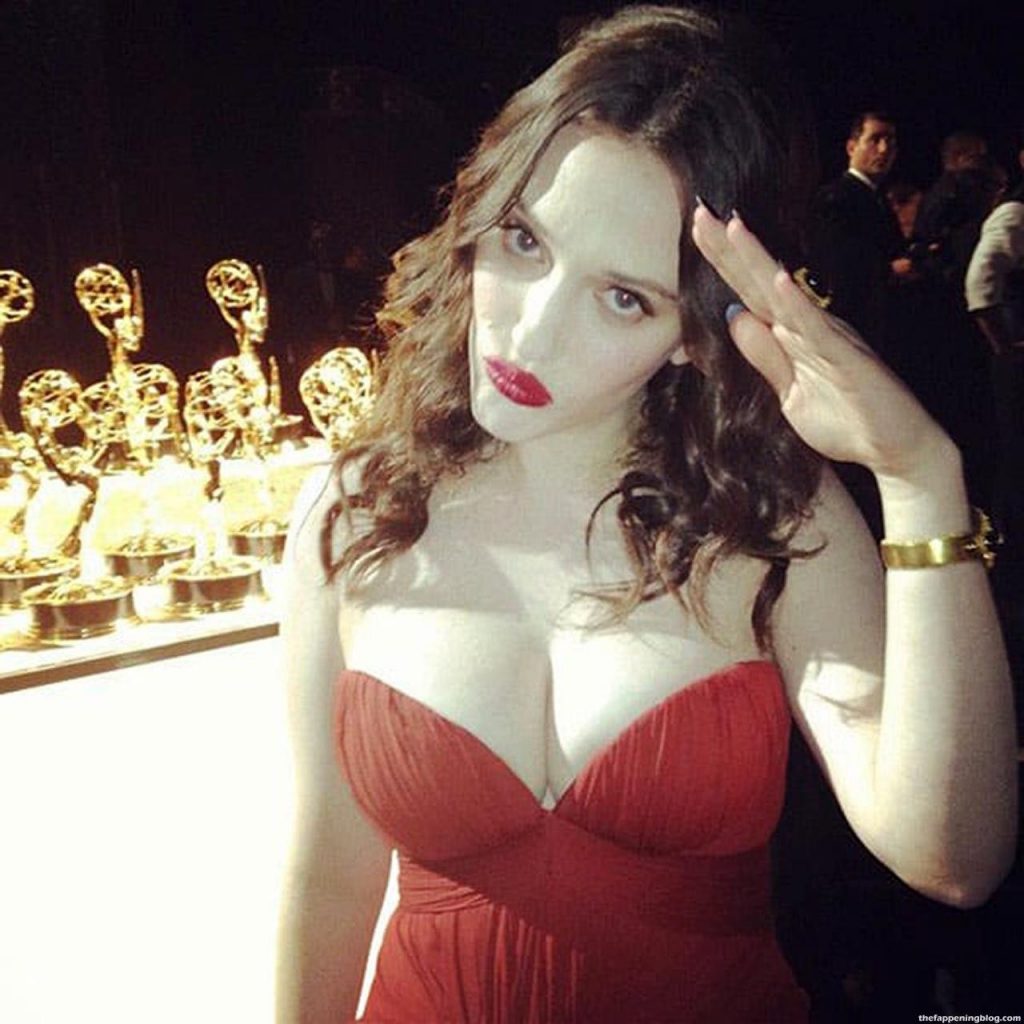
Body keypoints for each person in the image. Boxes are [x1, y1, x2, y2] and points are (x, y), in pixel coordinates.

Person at [276, 7, 1018, 1023]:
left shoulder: (767, 520)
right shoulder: (358, 509)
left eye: (622, 296)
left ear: (693, 332)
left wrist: (921, 478)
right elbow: (328, 874)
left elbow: (954, 856)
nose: (532, 332)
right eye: (524, 240)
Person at [804, 111, 909, 360]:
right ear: (852, 147)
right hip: (854, 323)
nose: (884, 149)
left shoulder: (876, 198)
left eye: (891, 142)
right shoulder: (837, 198)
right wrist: (889, 270)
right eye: (875, 139)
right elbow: (837, 261)